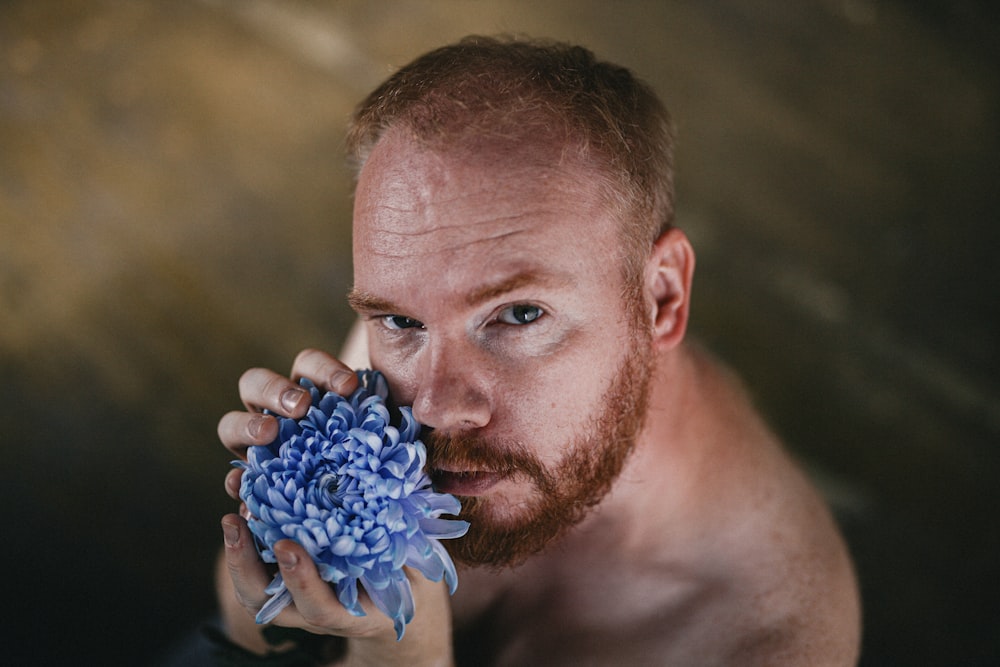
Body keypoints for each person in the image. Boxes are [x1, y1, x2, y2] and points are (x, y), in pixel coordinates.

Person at [214, 36, 861, 665]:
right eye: (400, 320)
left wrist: (399, 656)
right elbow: (246, 635)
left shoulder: (765, 639)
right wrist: (274, 525)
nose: (435, 408)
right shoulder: (397, 376)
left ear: (660, 297)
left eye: (519, 314)